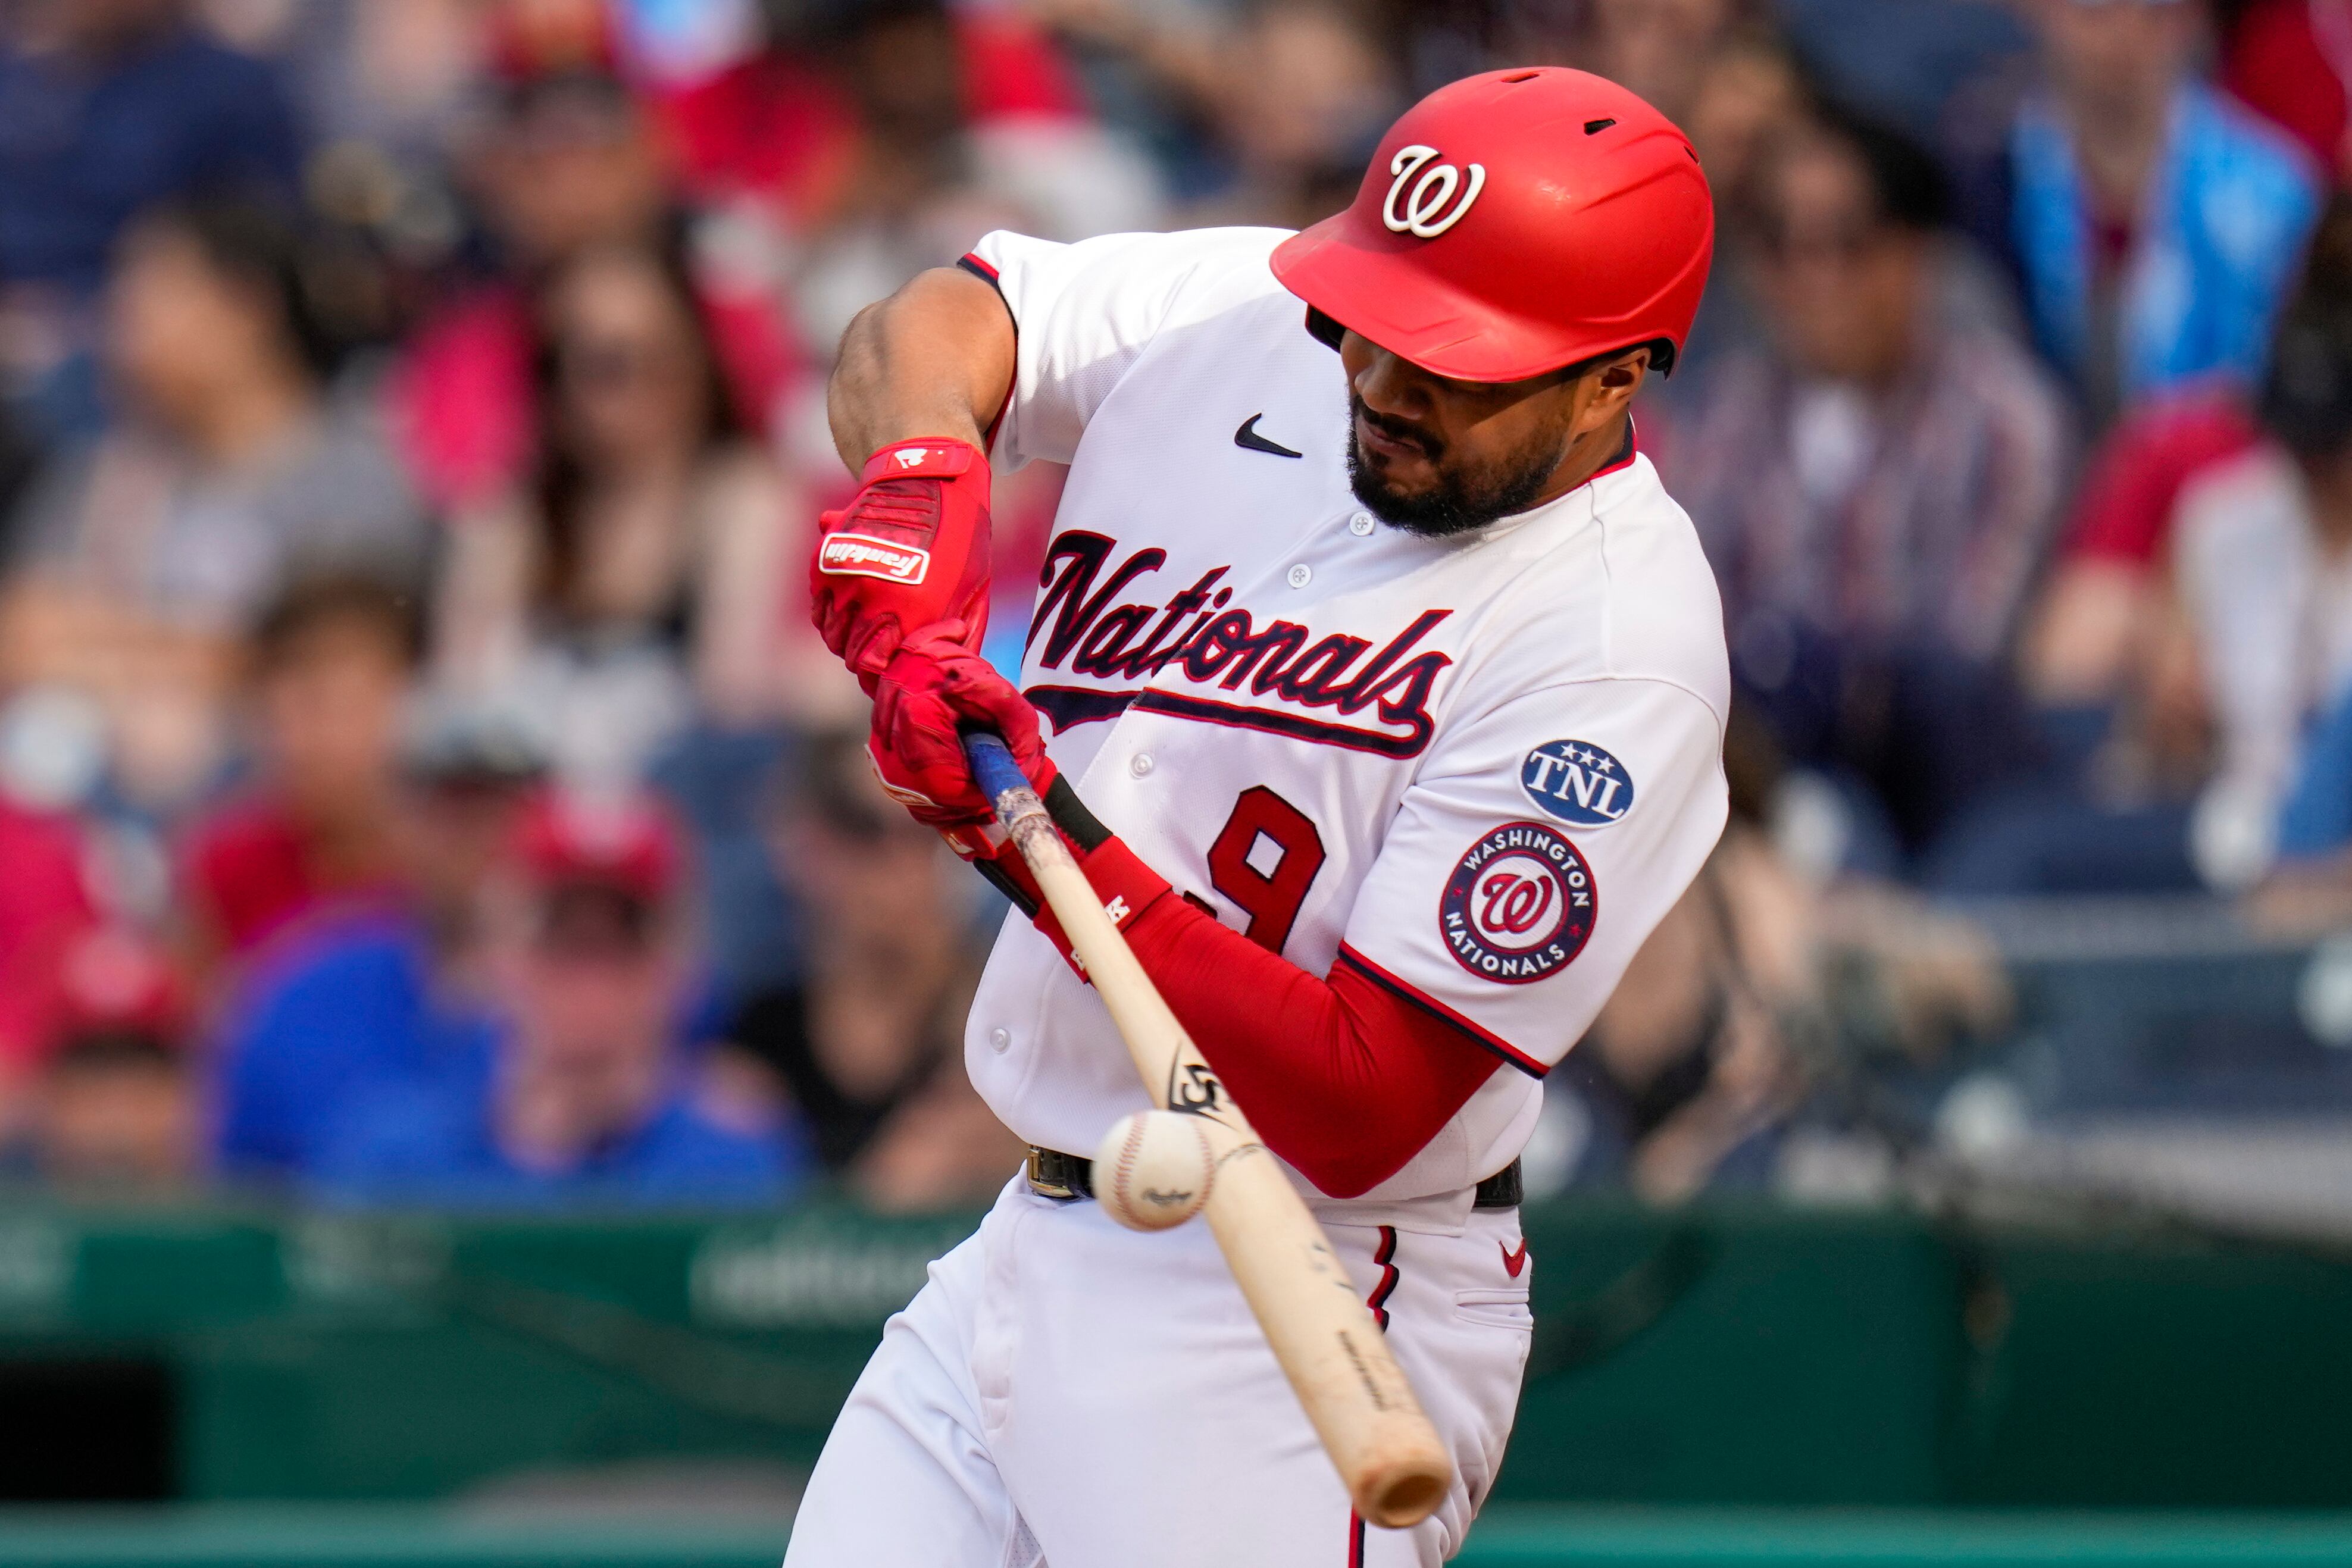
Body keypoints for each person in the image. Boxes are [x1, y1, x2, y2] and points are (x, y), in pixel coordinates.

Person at [789, 68, 1727, 1565]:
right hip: (1026, 1230)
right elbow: (929, 324)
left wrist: (1026, 836)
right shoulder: (1251, 311)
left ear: (1613, 379)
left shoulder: (1617, 641)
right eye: (1373, 320)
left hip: (1300, 1290)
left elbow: (1362, 1103)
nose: (1385, 380)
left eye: (1454, 360)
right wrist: (925, 475)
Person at [1672, 105, 2074, 863]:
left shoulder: (2003, 417)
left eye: (1845, 243)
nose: (1812, 277)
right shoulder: (1724, 417)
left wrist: (1813, 675)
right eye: (1782, 245)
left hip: (1950, 786)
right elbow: (1692, 631)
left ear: (1915, 253)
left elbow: (1968, 642)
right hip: (1761, 778)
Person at [2, 199, 426, 806]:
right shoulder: (99, 473)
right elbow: (20, 637)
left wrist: (109, 644)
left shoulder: (356, 480)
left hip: (282, 803)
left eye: (150, 297)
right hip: (98, 796)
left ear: (246, 307)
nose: (121, 326)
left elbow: (315, 667)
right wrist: (200, 651)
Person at [316, 786, 805, 1207]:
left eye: (623, 945)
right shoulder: (398, 1159)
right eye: (560, 942)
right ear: (499, 953)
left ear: (677, 968)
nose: (590, 981)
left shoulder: (729, 1168)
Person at [430, 241, 824, 753]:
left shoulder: (743, 499)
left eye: (657, 358)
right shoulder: (508, 514)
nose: (639, 388)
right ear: (552, 381)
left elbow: (734, 701)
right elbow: (460, 702)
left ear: (699, 364)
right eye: (605, 364)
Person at [1954, 0, 2320, 429]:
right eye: (2096, 12)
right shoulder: (1993, 178)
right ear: (2039, 12)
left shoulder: (2276, 190)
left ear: (2192, 19)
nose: (2123, 36)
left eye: (2153, 12)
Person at [712, 730, 1020, 1212]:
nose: (900, 859)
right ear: (803, 841)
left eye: (925, 823)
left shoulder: (1003, 1028)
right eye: (862, 826)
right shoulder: (753, 1040)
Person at [177, 576, 421, 976]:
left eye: (340, 710)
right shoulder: (224, 862)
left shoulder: (444, 868)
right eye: (284, 717)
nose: (309, 743)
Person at [5, 926, 199, 1193]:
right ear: (42, 1096)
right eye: (89, 1092)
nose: (116, 1125)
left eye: (140, 1092)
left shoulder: (243, 1206)